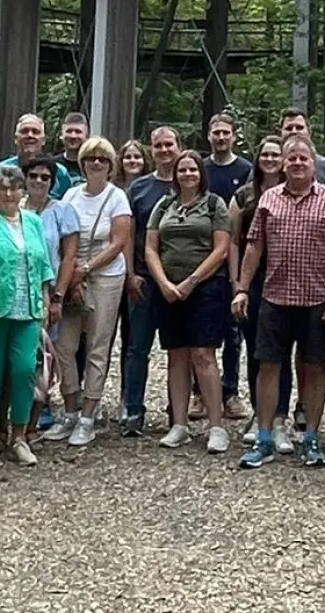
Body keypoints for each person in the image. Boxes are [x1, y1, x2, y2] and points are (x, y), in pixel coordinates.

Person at [234, 134, 325, 470]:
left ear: (314, 163)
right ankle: (264, 436)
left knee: (314, 368)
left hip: (317, 299)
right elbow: (254, 245)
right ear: (283, 164)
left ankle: (311, 438)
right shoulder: (269, 199)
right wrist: (242, 288)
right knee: (268, 366)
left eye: (303, 158)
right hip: (275, 297)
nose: (297, 163)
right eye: (292, 158)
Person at [0, 166, 57, 466]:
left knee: (24, 370)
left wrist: (45, 302)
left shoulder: (33, 222)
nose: (8, 194)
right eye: (1, 188)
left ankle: (19, 436)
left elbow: (43, 266)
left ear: (22, 191)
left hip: (27, 309)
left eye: (14, 188)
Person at [145, 150, 233, 453]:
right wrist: (164, 282)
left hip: (206, 288)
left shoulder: (214, 205)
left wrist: (192, 281)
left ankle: (216, 426)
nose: (187, 175)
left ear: (201, 174)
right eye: (182, 170)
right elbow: (151, 247)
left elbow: (221, 249)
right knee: (176, 355)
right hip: (168, 289)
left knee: (203, 354)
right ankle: (179, 424)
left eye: (193, 170)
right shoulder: (164, 205)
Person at [48, 139, 130, 446]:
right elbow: (62, 236)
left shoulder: (116, 197)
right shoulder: (71, 195)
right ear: (81, 163)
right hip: (71, 275)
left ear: (111, 165)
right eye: (90, 158)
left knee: (97, 345)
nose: (96, 163)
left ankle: (88, 416)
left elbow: (119, 241)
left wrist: (87, 269)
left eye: (102, 159)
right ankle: (70, 408)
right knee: (64, 346)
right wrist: (71, 277)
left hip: (105, 276)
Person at [229, 136, 295, 449]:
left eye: (275, 154)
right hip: (252, 279)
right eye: (264, 154)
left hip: (284, 277)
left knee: (282, 351)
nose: (269, 159)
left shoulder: (293, 192)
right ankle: (260, 413)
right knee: (257, 349)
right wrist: (236, 282)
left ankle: (280, 416)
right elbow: (233, 241)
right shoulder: (243, 195)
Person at [121, 126, 182, 436]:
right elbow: (129, 235)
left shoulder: (189, 183)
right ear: (151, 150)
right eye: (158, 146)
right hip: (144, 279)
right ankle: (132, 409)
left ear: (178, 146)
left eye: (169, 144)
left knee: (178, 350)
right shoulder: (138, 188)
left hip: (179, 283)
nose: (164, 150)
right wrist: (130, 274)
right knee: (137, 348)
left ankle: (177, 412)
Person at [21, 154, 80, 435]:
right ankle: (22, 409)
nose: (38, 181)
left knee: (52, 352)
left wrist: (58, 296)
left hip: (50, 291)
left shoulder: (62, 211)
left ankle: (55, 408)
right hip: (18, 291)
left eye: (45, 177)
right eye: (33, 176)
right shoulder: (13, 208)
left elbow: (68, 256)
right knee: (22, 353)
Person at [203, 111, 253, 421]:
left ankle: (230, 391)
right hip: (203, 258)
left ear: (234, 136)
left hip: (234, 257)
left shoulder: (246, 170)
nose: (221, 137)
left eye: (226, 132)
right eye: (216, 132)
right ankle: (199, 393)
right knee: (202, 330)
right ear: (209, 135)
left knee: (235, 332)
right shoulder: (200, 168)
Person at [0, 114, 71, 200]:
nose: (30, 135)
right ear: (15, 139)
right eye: (24, 131)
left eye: (35, 132)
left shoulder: (60, 173)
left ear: (43, 140)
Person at [279, 109, 325, 183]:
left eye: (299, 127)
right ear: (280, 133)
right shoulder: (272, 165)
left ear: (309, 132)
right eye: (289, 128)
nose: (294, 131)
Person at [55, 112, 88, 186]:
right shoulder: (53, 165)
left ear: (86, 136)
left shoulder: (92, 165)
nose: (73, 136)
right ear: (61, 135)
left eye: (78, 132)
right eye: (69, 131)